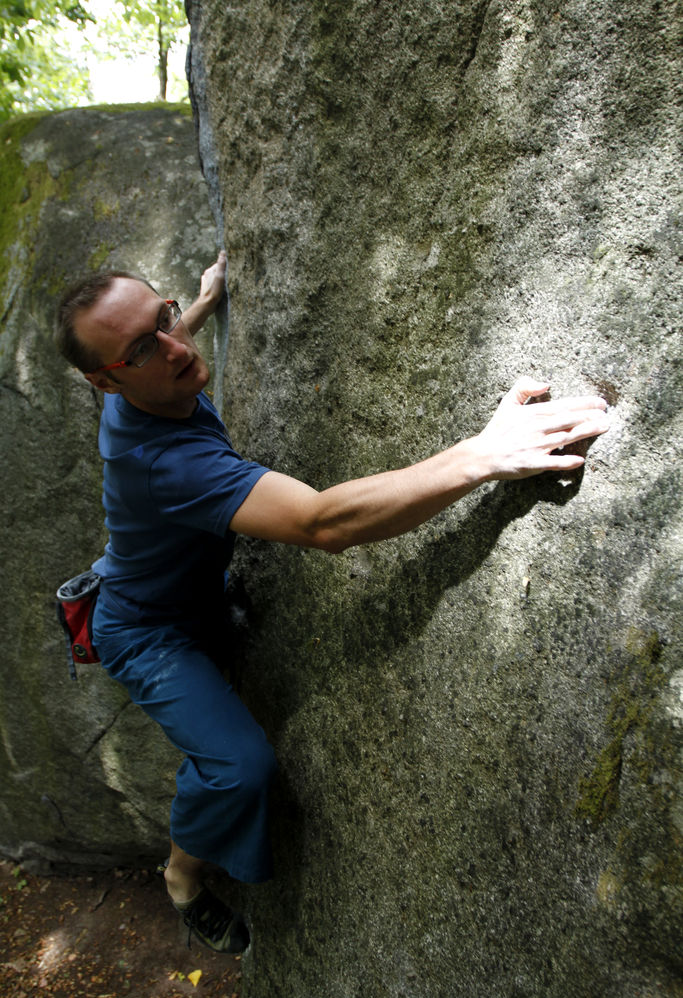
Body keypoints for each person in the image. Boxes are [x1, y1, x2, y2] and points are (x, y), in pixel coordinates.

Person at [55, 250, 609, 953]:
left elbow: (164, 341)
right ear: (106, 382)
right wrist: (485, 453)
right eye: (142, 347)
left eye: (163, 317)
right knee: (237, 767)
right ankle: (182, 877)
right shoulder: (161, 461)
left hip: (193, 596)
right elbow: (323, 524)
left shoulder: (152, 368)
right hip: (146, 632)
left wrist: (200, 301)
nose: (174, 346)